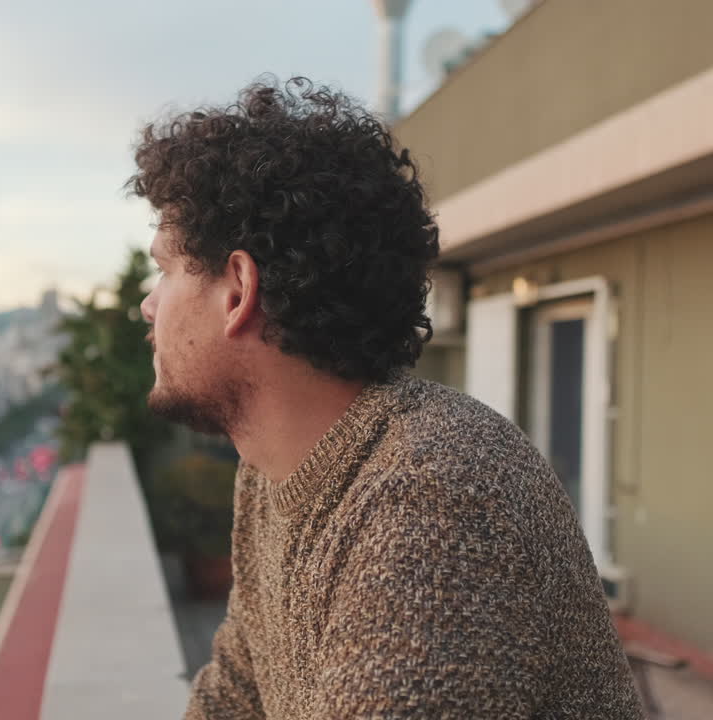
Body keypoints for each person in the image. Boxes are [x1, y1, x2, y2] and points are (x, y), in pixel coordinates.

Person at [131, 76, 643, 719]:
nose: (148, 305)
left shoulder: (434, 496)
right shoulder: (269, 473)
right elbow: (237, 691)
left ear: (237, 291)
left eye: (166, 270)